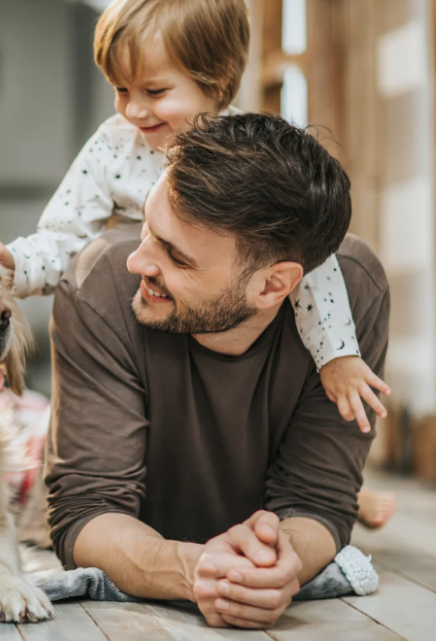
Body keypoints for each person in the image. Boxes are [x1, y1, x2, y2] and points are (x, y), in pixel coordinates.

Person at [0, 0, 395, 527]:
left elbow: (310, 261)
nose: (132, 110)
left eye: (154, 91)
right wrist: (11, 264)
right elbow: (62, 237)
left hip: (222, 339)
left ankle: (348, 497)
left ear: (217, 83)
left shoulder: (251, 163)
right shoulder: (114, 148)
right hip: (146, 342)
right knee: (31, 435)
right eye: (121, 90)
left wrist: (337, 355)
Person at [46, 112, 389, 629]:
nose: (138, 262)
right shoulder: (101, 284)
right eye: (147, 226)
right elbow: (86, 510)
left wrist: (280, 562)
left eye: (176, 258)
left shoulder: (355, 294)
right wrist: (194, 569)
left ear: (274, 286)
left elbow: (318, 501)